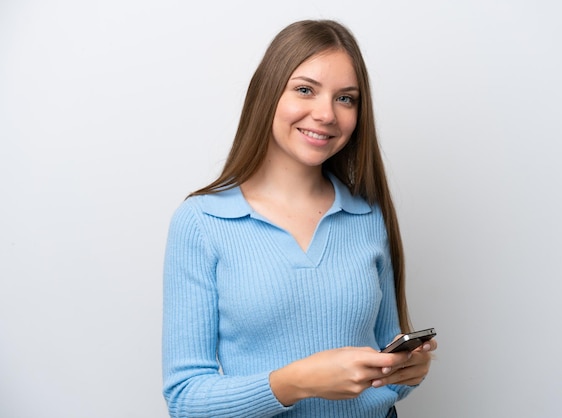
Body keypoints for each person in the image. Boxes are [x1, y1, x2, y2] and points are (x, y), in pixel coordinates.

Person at [162, 19, 437, 418]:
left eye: (346, 98)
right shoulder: (202, 222)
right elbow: (186, 400)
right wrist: (298, 382)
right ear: (267, 94)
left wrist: (409, 370)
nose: (326, 114)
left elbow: (386, 370)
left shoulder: (368, 215)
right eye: (305, 90)